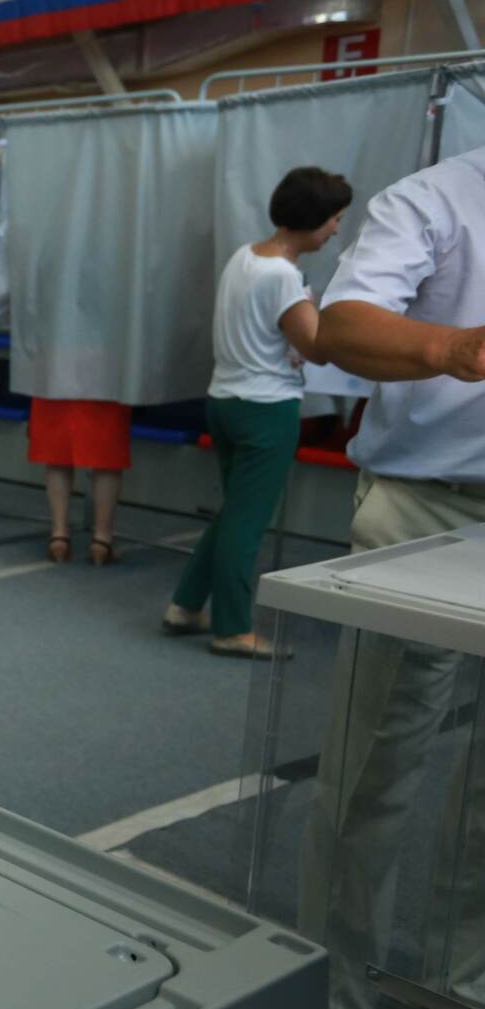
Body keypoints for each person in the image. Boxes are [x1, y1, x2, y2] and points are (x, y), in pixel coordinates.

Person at [301, 145, 485, 1009]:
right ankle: (330, 991)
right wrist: (452, 348)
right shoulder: (438, 198)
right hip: (426, 506)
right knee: (376, 764)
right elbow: (341, 326)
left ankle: (470, 989)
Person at [167, 167, 345, 658]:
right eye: (334, 219)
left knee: (234, 515)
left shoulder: (244, 257)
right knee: (246, 524)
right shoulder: (284, 277)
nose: (336, 230)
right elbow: (316, 348)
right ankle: (233, 628)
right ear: (312, 220)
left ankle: (185, 605)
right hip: (266, 410)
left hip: (225, 402)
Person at [29, 396, 129, 565]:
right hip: (105, 383)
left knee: (58, 449)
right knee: (106, 450)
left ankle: (59, 536)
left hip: (57, 381)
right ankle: (102, 540)